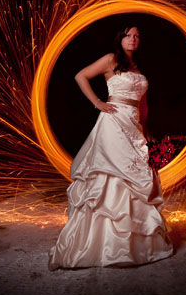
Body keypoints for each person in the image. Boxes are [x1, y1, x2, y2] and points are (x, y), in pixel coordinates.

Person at [47, 24, 174, 269]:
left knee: (137, 178)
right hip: (113, 123)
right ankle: (102, 244)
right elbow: (80, 76)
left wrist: (146, 130)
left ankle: (135, 245)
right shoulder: (110, 59)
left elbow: (143, 105)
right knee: (113, 176)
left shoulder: (136, 68)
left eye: (137, 36)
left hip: (133, 125)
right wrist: (97, 102)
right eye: (129, 35)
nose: (133, 39)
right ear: (121, 38)